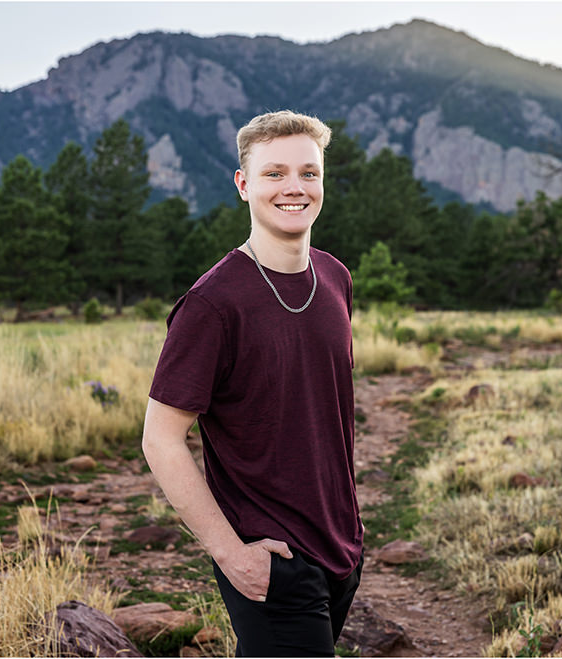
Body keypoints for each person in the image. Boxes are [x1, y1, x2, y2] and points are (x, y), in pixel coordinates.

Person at [142, 110, 363, 657]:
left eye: (309, 173)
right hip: (271, 557)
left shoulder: (335, 278)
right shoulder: (212, 304)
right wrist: (230, 553)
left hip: (341, 546)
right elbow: (160, 438)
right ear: (243, 185)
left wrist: (350, 535)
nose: (295, 187)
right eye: (274, 173)